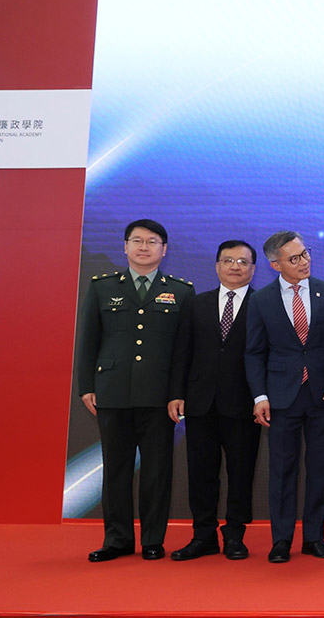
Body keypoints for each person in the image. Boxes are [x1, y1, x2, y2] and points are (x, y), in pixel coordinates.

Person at [74, 219, 195, 562]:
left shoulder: (182, 291)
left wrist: (178, 392)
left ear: (164, 250)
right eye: (137, 241)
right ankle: (117, 539)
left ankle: (153, 538)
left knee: (157, 470)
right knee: (116, 468)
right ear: (125, 247)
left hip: (160, 396)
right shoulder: (102, 287)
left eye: (152, 241)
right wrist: (87, 386)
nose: (144, 247)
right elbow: (88, 342)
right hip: (111, 392)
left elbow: (184, 350)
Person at [245, 231, 324, 563]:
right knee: (281, 470)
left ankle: (314, 538)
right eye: (294, 258)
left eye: (305, 254)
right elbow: (253, 353)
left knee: (319, 467)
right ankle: (281, 539)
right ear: (275, 264)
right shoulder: (261, 299)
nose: (304, 262)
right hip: (280, 397)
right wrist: (259, 396)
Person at [166, 240, 261, 561]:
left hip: (245, 404)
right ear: (217, 266)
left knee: (241, 473)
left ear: (253, 268)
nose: (235, 266)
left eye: (243, 262)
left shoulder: (264, 305)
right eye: (228, 260)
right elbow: (182, 352)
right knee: (201, 473)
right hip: (199, 403)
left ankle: (235, 536)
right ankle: (202, 535)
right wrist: (176, 393)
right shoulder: (197, 303)